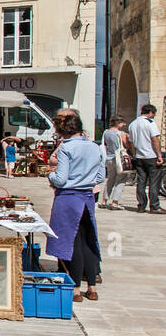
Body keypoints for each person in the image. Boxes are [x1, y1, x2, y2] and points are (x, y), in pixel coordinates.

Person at [47, 108, 104, 301]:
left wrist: (50, 175)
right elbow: (100, 176)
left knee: (72, 242)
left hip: (69, 197)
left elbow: (61, 179)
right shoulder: (94, 146)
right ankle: (93, 287)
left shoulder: (66, 148)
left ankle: (75, 288)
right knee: (88, 240)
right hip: (87, 196)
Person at [127, 103, 165, 214]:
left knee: (141, 182)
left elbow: (131, 142)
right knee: (154, 182)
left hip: (139, 157)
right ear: (151, 113)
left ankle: (141, 205)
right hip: (151, 156)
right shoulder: (150, 123)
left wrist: (135, 154)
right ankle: (154, 206)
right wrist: (159, 155)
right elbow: (155, 139)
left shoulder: (133, 124)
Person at [100, 116, 131, 209]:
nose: (124, 125)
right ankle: (115, 202)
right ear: (119, 123)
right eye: (123, 123)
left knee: (110, 179)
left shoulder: (106, 132)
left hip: (109, 158)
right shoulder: (121, 133)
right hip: (119, 159)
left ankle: (104, 200)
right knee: (121, 180)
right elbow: (127, 145)